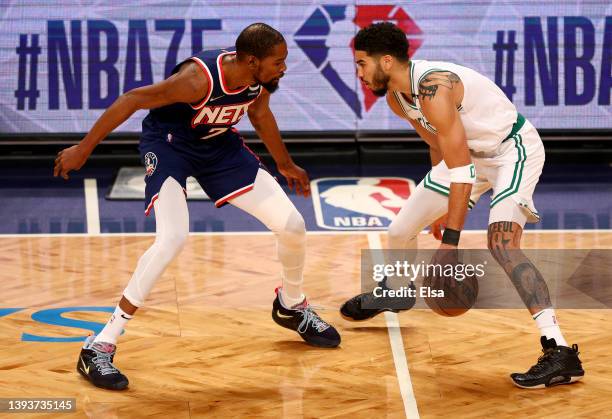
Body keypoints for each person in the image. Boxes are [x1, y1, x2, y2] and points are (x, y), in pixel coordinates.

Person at [54, 23, 340, 391]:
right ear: (253, 61)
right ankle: (99, 345)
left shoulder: (257, 82)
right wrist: (83, 148)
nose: (284, 68)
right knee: (172, 238)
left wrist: (284, 164)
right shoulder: (196, 80)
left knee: (293, 225)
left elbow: (261, 115)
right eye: (279, 62)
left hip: (219, 148)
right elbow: (132, 99)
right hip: (170, 145)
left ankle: (292, 304)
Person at [339, 22, 583, 389]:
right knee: (399, 230)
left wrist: (449, 240)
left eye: (361, 63)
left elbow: (463, 172)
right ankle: (397, 290)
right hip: (467, 158)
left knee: (503, 246)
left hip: (511, 153)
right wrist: (440, 209)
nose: (358, 72)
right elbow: (439, 147)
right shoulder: (396, 96)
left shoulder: (435, 88)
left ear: (386, 61)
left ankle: (559, 350)